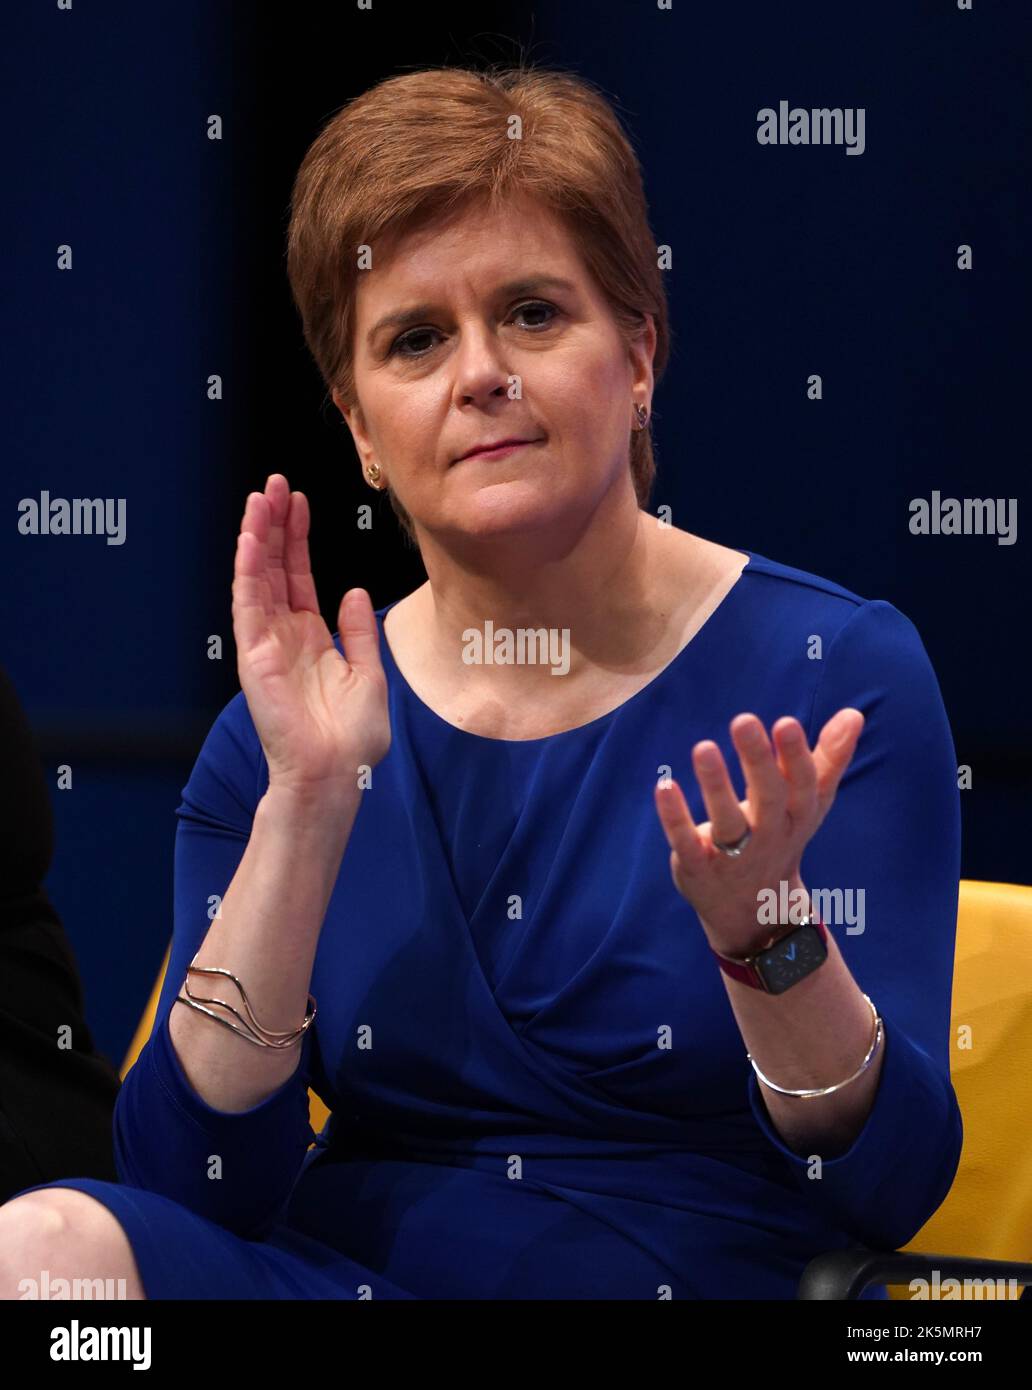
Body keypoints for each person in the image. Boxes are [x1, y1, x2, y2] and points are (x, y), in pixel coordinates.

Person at [0, 62, 962, 1300]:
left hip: (689, 1278)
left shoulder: (837, 674)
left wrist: (764, 932)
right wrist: (306, 803)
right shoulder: (289, 730)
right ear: (359, 429)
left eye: (532, 314)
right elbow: (195, 1186)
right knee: (42, 1257)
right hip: (345, 1278)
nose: (479, 374)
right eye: (414, 340)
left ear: (640, 354)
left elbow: (887, 1189)